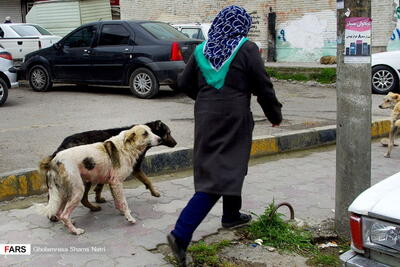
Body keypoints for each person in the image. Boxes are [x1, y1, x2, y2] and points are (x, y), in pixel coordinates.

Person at [167, 5, 282, 266]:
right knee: (220, 177)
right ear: (241, 26)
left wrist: (208, 99)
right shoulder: (246, 48)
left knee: (228, 165)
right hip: (234, 119)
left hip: (206, 118)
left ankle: (231, 215)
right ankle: (180, 234)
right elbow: (263, 86)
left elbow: (184, 83)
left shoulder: (201, 50)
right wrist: (274, 115)